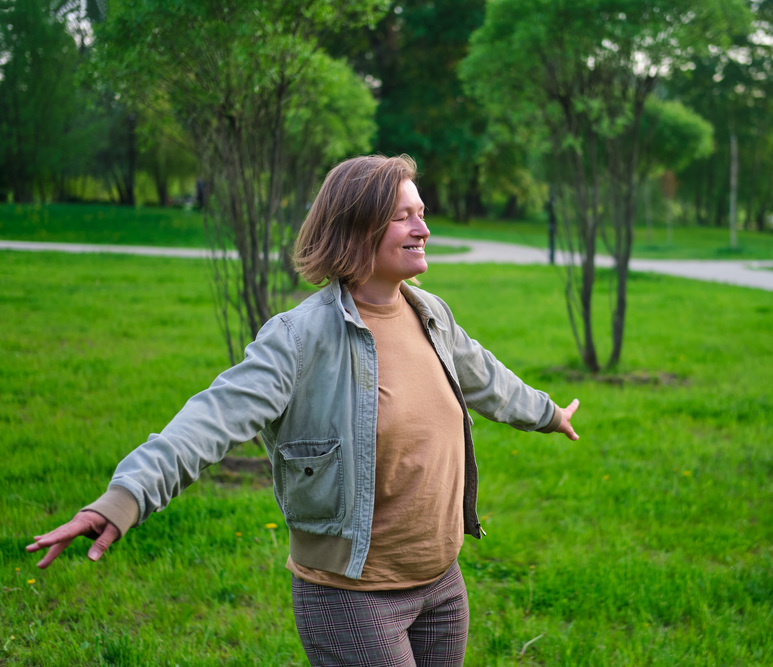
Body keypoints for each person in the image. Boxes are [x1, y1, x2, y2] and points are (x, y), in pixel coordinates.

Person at [27, 154, 580, 666]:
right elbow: (209, 422)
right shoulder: (299, 338)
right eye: (402, 217)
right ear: (356, 229)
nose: (423, 229)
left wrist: (548, 413)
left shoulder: (429, 313)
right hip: (352, 598)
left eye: (421, 213)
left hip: (440, 583)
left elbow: (486, 377)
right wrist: (121, 501)